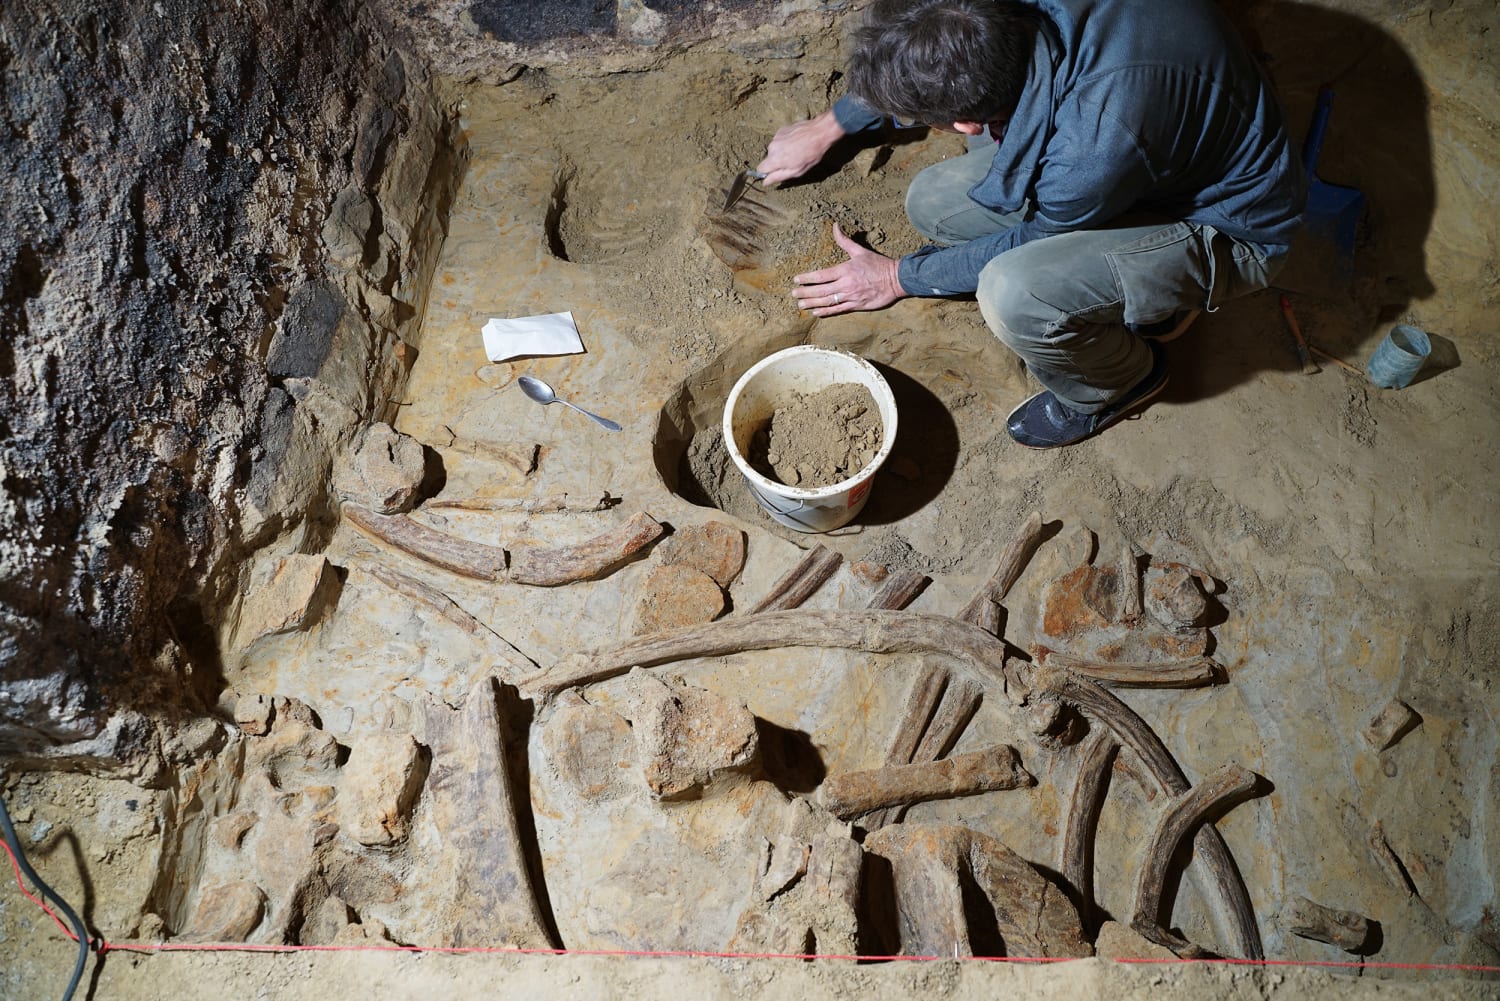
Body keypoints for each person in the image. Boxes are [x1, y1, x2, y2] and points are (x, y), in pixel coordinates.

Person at [756, 0, 1306, 448]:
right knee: (933, 202)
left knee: (1016, 292)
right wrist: (832, 124)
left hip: (1232, 225)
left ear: (967, 121)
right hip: (1169, 139)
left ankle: (1118, 384)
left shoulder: (1089, 150)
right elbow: (921, 36)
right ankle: (1139, 290)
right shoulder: (995, 17)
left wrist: (897, 277)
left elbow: (1035, 237)